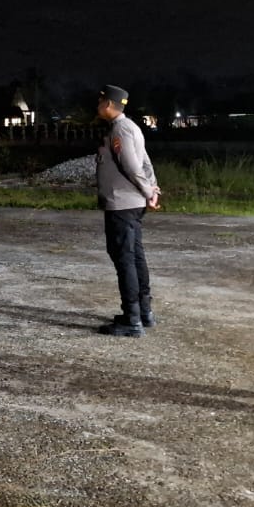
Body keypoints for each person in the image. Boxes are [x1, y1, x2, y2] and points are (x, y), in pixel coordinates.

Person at [94, 85, 161, 337]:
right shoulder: (129, 127)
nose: (98, 106)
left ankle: (132, 320)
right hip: (130, 203)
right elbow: (146, 162)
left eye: (100, 102)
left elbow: (133, 166)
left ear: (109, 104)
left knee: (125, 258)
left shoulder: (120, 129)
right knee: (135, 257)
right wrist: (152, 188)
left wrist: (148, 192)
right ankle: (143, 313)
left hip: (123, 204)